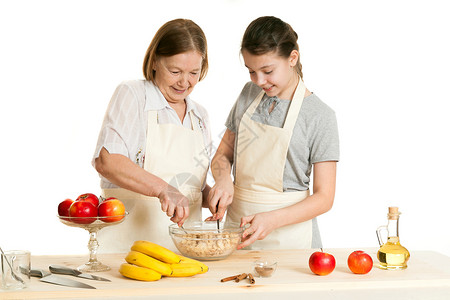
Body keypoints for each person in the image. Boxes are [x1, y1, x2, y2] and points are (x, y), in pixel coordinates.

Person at [207, 16, 339, 250]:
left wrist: (272, 219)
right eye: (251, 71)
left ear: (292, 58)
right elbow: (221, 156)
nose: (259, 81)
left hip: (290, 240)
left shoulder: (319, 116)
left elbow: (324, 197)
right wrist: (223, 180)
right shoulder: (248, 95)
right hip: (236, 233)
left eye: (267, 71)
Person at [92, 19, 211, 252]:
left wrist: (211, 195)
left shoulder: (200, 116)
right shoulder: (133, 95)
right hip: (129, 250)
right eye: (175, 71)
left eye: (193, 73)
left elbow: (189, 186)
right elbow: (108, 161)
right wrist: (164, 189)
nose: (184, 82)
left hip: (184, 251)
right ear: (155, 60)